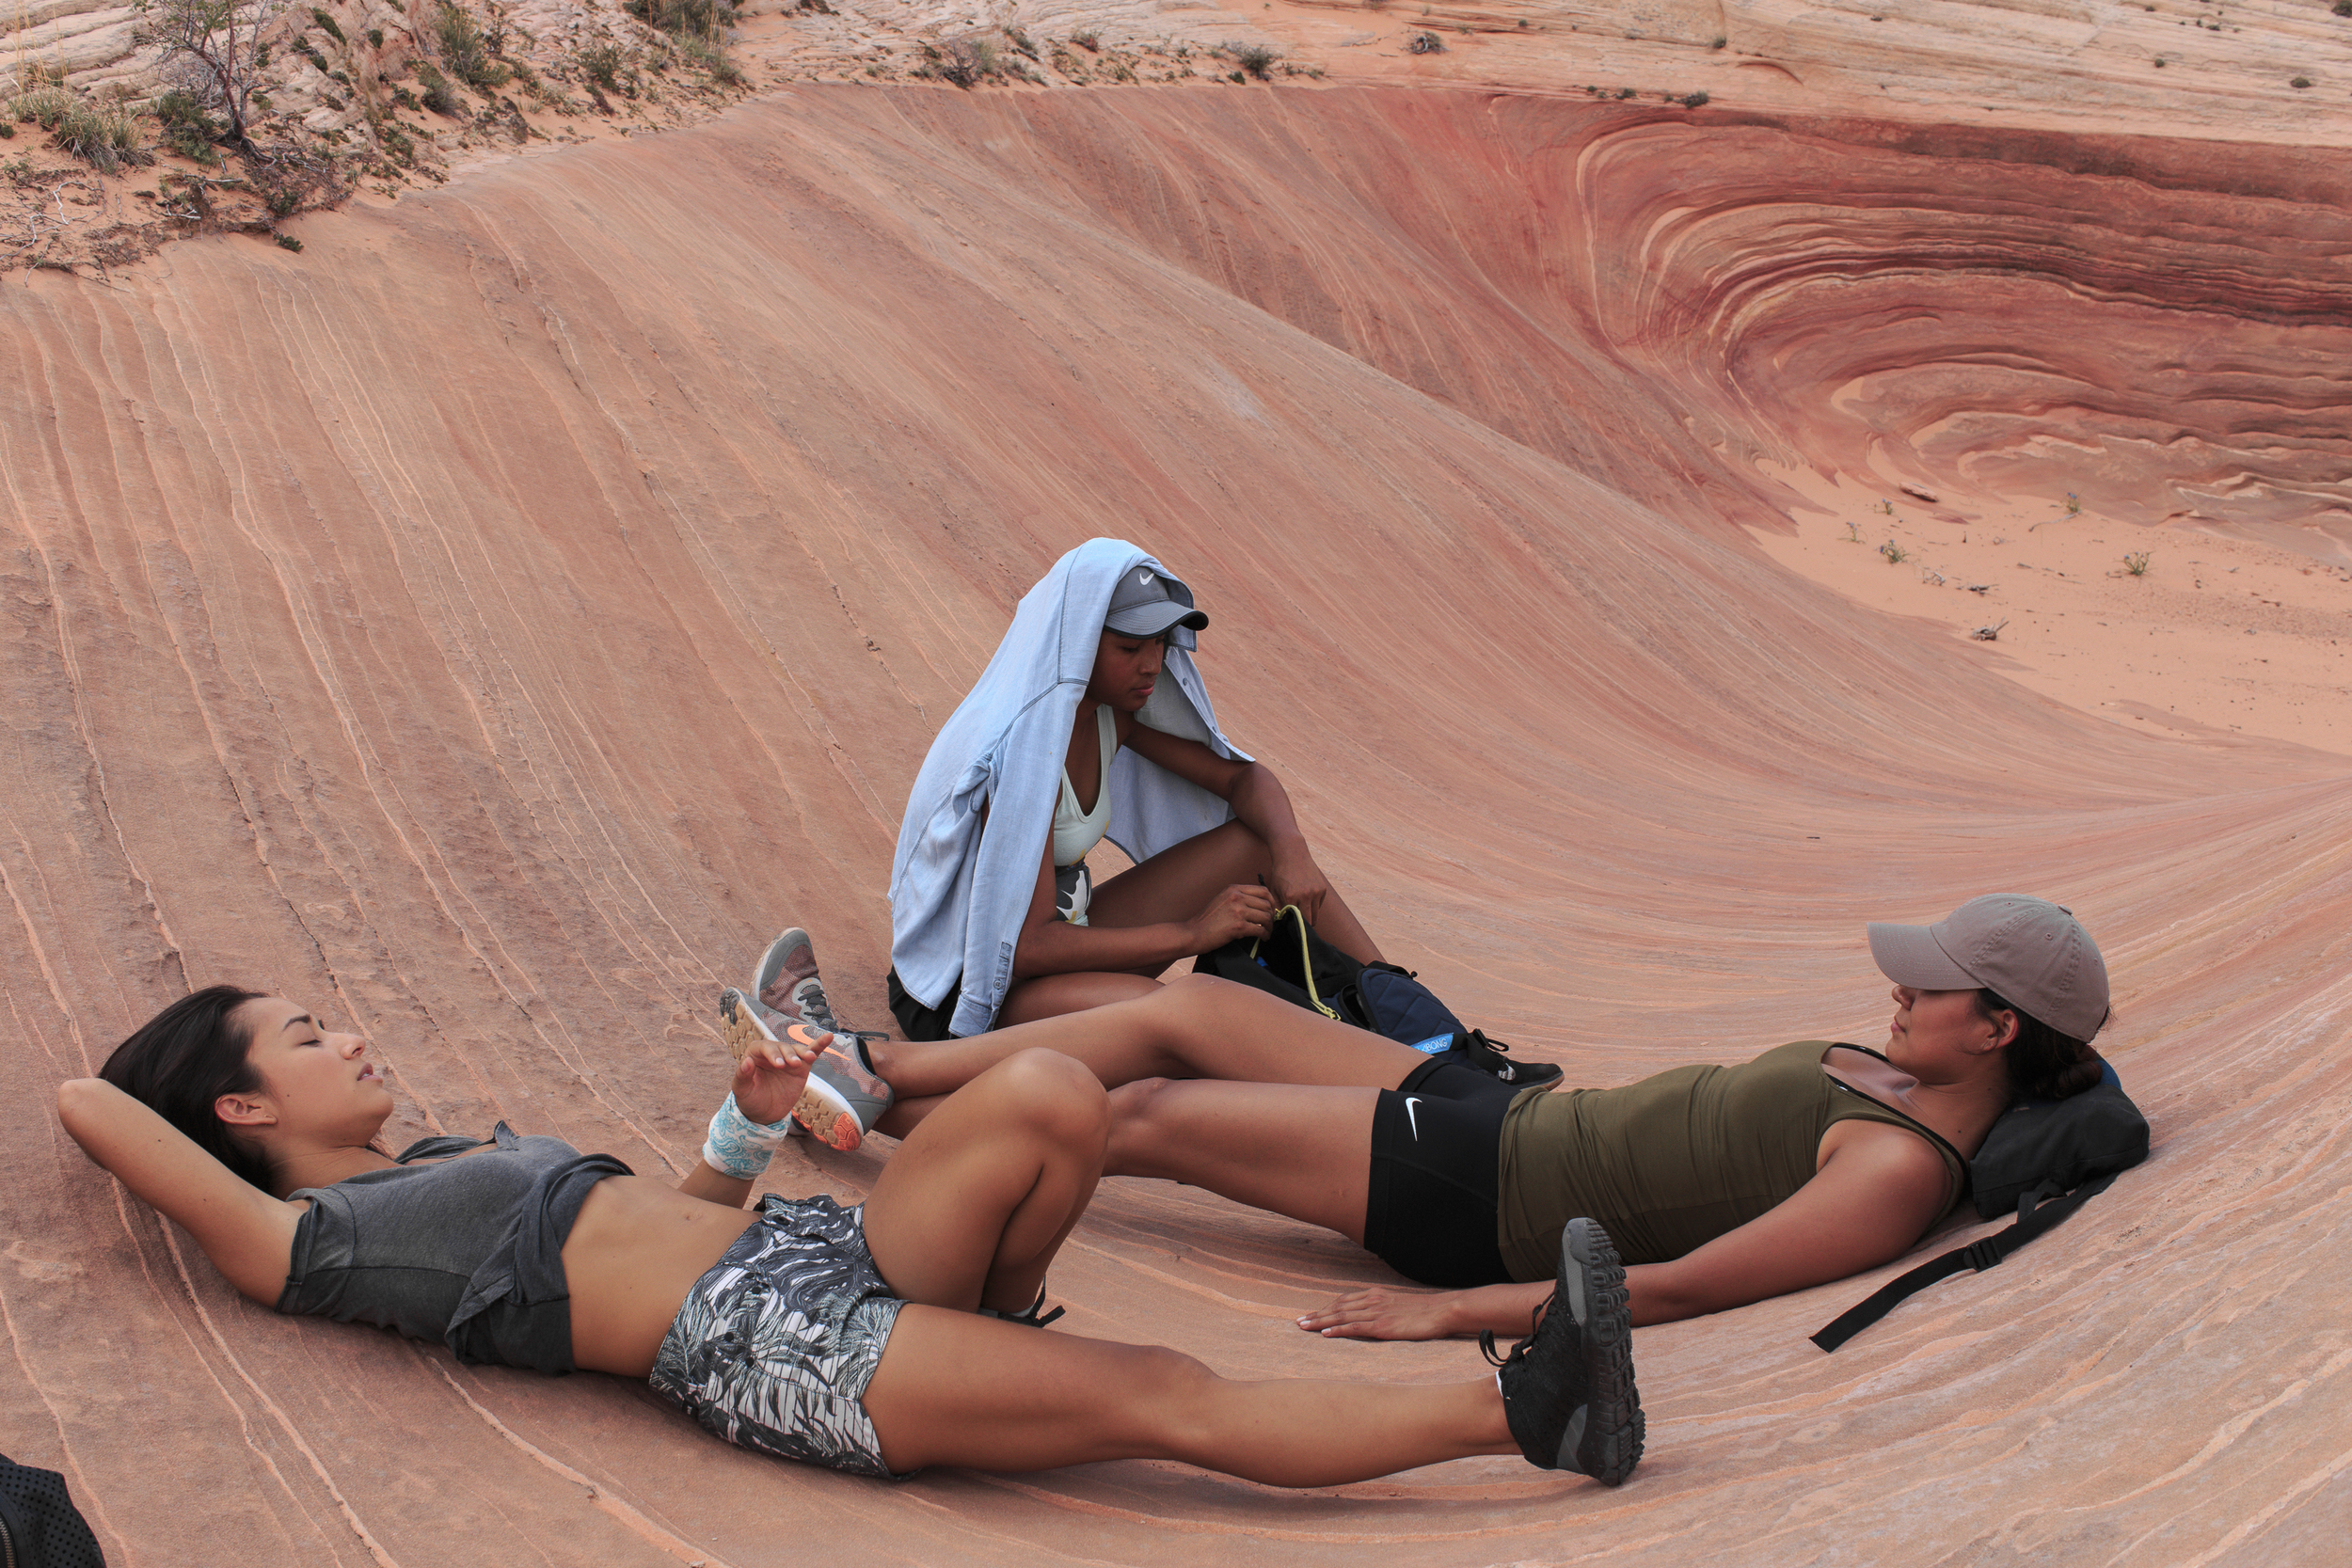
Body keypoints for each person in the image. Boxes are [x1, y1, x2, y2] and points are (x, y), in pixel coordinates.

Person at [55, 984, 1645, 1487]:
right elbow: (91, 1101)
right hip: (768, 1347)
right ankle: (1528, 1407)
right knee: (1156, 1388)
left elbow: (676, 1223)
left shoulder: (456, 1159)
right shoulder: (319, 1233)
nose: (345, 1036)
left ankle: (1002, 1314)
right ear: (239, 1107)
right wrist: (150, 1090)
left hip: (800, 1263)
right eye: (303, 1034)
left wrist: (744, 1124)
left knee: (1049, 1093)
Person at [846, 895, 2114, 1336]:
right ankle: (885, 1066)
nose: (1903, 983)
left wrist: (1446, 1309)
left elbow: (1673, 1285)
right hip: (1503, 1110)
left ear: (1999, 1027)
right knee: (1189, 1008)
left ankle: (887, 1142)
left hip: (1481, 1199)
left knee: (1155, 1110)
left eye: (1934, 982)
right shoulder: (1896, 1068)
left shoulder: (1897, 1166)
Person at [885, 539, 1386, 1042]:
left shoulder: (1112, 716)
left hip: (1067, 936)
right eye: (1129, 647)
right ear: (1077, 642)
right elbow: (1024, 948)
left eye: (1161, 644)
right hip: (977, 987)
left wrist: (1291, 849)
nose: (1151, 665)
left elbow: (1241, 778)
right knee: (1180, 1017)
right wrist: (1193, 932)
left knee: (1259, 842)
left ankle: (1403, 1008)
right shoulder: (1022, 756)